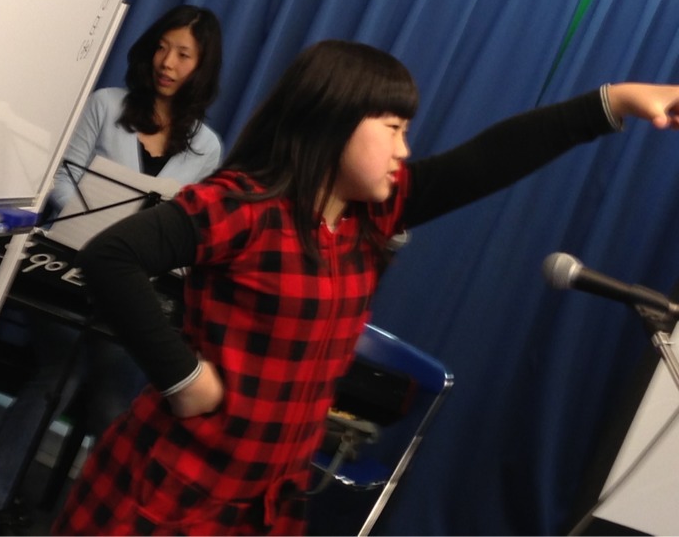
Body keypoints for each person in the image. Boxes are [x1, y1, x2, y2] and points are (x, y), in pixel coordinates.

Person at [51, 39, 679, 536]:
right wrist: (183, 378)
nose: (405, 149)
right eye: (394, 127)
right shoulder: (242, 205)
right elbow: (112, 257)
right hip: (174, 491)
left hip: (262, 497)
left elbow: (492, 158)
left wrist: (616, 102)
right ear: (333, 123)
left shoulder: (371, 215)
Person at [0, 4, 224, 520]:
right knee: (62, 372)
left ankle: (97, 519)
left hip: (132, 291)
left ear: (202, 66)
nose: (167, 63)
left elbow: (186, 229)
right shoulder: (107, 104)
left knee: (115, 392)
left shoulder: (207, 148)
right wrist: (104, 232)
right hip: (67, 267)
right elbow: (62, 181)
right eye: (162, 48)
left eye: (183, 54)